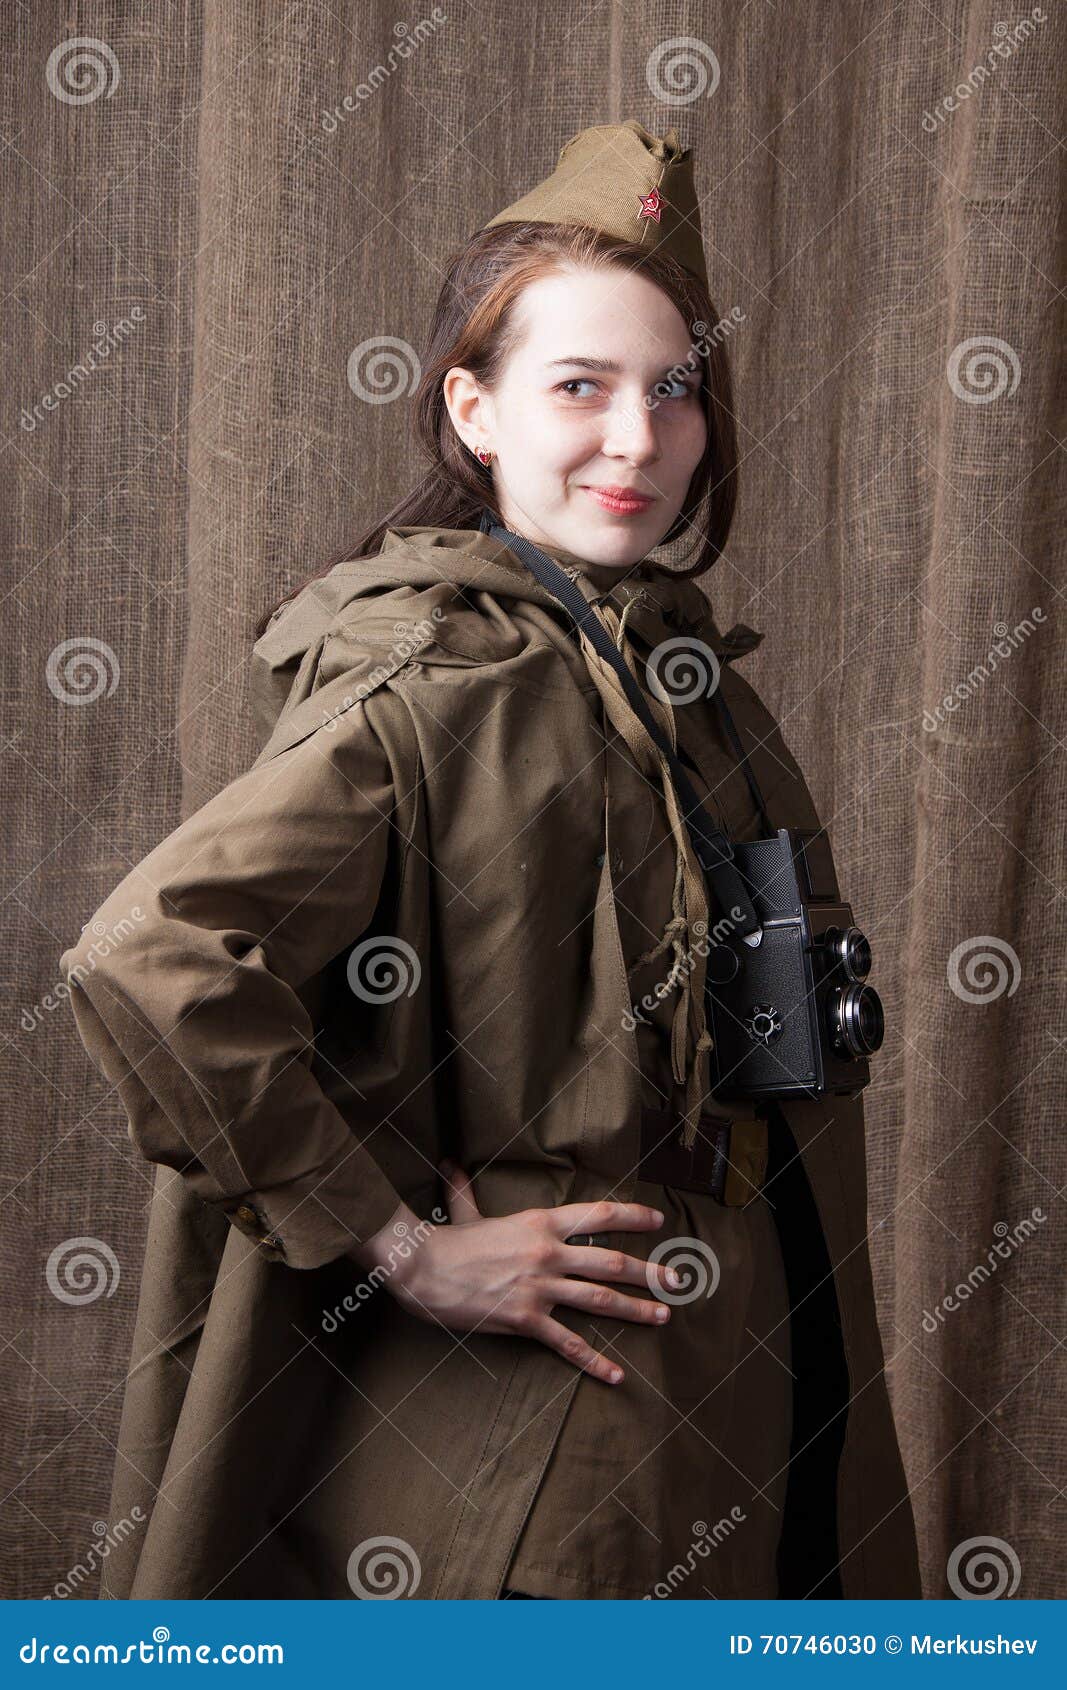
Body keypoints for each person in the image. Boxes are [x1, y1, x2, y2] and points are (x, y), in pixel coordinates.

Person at [60, 120, 921, 1601]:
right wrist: (398, 1244)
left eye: (676, 389)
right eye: (578, 387)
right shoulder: (440, 675)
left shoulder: (676, 672)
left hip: (746, 1387)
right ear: (475, 410)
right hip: (551, 1449)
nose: (639, 438)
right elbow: (151, 958)